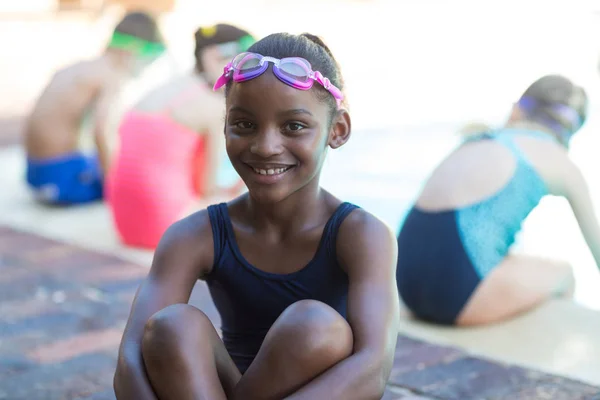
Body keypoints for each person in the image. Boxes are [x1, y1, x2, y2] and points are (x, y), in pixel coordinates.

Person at [113, 32, 399, 399]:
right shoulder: (195, 235)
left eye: (293, 126)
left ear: (337, 130)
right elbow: (130, 363)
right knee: (172, 326)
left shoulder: (361, 235)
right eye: (245, 124)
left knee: (316, 327)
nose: (265, 146)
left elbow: (372, 368)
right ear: (226, 125)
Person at [396, 74, 599, 326]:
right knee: (564, 274)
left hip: (404, 281)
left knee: (508, 254)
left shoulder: (477, 138)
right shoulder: (562, 164)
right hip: (454, 296)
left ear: (517, 110)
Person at [106, 24, 254, 249]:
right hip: (166, 229)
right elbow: (208, 189)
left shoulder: (161, 90)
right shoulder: (212, 108)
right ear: (216, 58)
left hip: (124, 225)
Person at [23, 11, 165, 205]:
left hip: (35, 175)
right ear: (131, 51)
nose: (143, 68)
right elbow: (102, 130)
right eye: (146, 60)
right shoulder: (111, 76)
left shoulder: (81, 68)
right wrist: (112, 185)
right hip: (60, 182)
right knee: (137, 180)